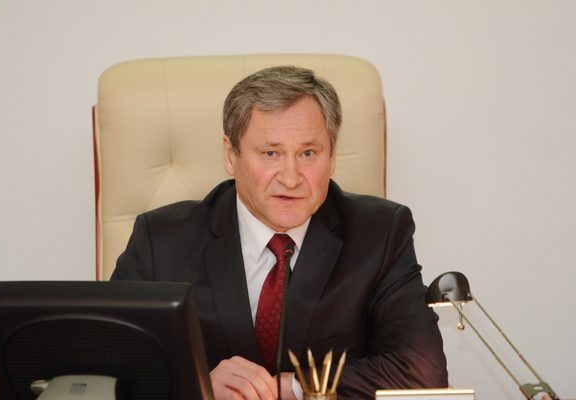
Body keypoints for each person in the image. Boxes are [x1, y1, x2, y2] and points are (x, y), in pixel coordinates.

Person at [111, 65, 448, 399]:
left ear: (332, 156)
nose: (290, 177)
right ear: (230, 155)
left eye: (308, 153)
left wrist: (294, 387)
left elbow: (422, 372)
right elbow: (108, 371)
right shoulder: (160, 241)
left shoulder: (380, 234)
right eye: (271, 153)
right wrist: (196, 387)